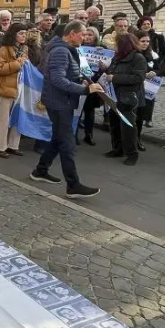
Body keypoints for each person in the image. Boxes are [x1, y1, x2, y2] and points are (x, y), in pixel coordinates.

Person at [29, 21, 104, 198]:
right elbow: (58, 80)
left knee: (57, 139)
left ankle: (40, 171)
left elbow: (65, 75)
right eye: (82, 34)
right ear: (71, 34)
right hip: (59, 103)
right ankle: (73, 185)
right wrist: (85, 89)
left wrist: (81, 82)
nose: (85, 37)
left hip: (60, 101)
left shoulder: (63, 49)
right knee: (67, 144)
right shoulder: (61, 51)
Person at [105, 33, 148, 166]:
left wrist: (115, 78)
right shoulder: (117, 57)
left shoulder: (138, 57)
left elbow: (138, 78)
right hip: (114, 95)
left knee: (128, 126)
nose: (115, 46)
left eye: (117, 43)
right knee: (114, 124)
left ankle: (132, 154)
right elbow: (112, 70)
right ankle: (118, 149)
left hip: (129, 97)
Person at [0, 23, 28, 158]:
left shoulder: (24, 49)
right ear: (14, 34)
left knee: (17, 118)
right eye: (21, 33)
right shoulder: (4, 49)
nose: (24, 36)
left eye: (25, 33)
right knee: (3, 119)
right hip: (5, 88)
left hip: (19, 88)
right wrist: (17, 64)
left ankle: (13, 145)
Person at [79, 26, 104, 146]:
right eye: (86, 34)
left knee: (90, 110)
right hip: (79, 81)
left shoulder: (101, 49)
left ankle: (89, 134)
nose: (88, 37)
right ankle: (73, 134)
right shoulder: (77, 47)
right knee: (77, 109)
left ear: (95, 36)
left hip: (93, 82)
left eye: (91, 35)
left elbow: (105, 67)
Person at [133, 29, 158, 146]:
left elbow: (159, 68)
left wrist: (155, 72)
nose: (145, 43)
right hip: (133, 90)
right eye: (142, 41)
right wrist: (143, 74)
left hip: (147, 90)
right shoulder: (132, 54)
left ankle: (137, 139)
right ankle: (128, 140)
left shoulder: (151, 55)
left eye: (147, 41)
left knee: (140, 117)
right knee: (132, 115)